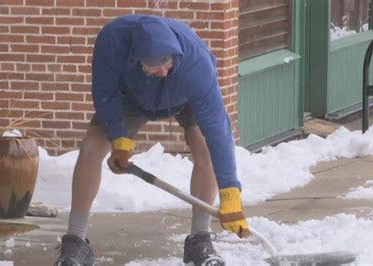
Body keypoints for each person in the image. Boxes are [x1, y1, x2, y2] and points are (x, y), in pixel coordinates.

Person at [54, 14, 250, 266]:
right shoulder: (112, 41)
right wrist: (119, 140)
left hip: (184, 97)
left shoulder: (195, 63)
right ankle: (75, 242)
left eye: (168, 64)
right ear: (138, 60)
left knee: (204, 146)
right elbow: (105, 93)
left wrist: (231, 193)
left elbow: (218, 130)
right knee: (91, 148)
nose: (165, 71)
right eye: (156, 68)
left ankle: (200, 240)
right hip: (131, 98)